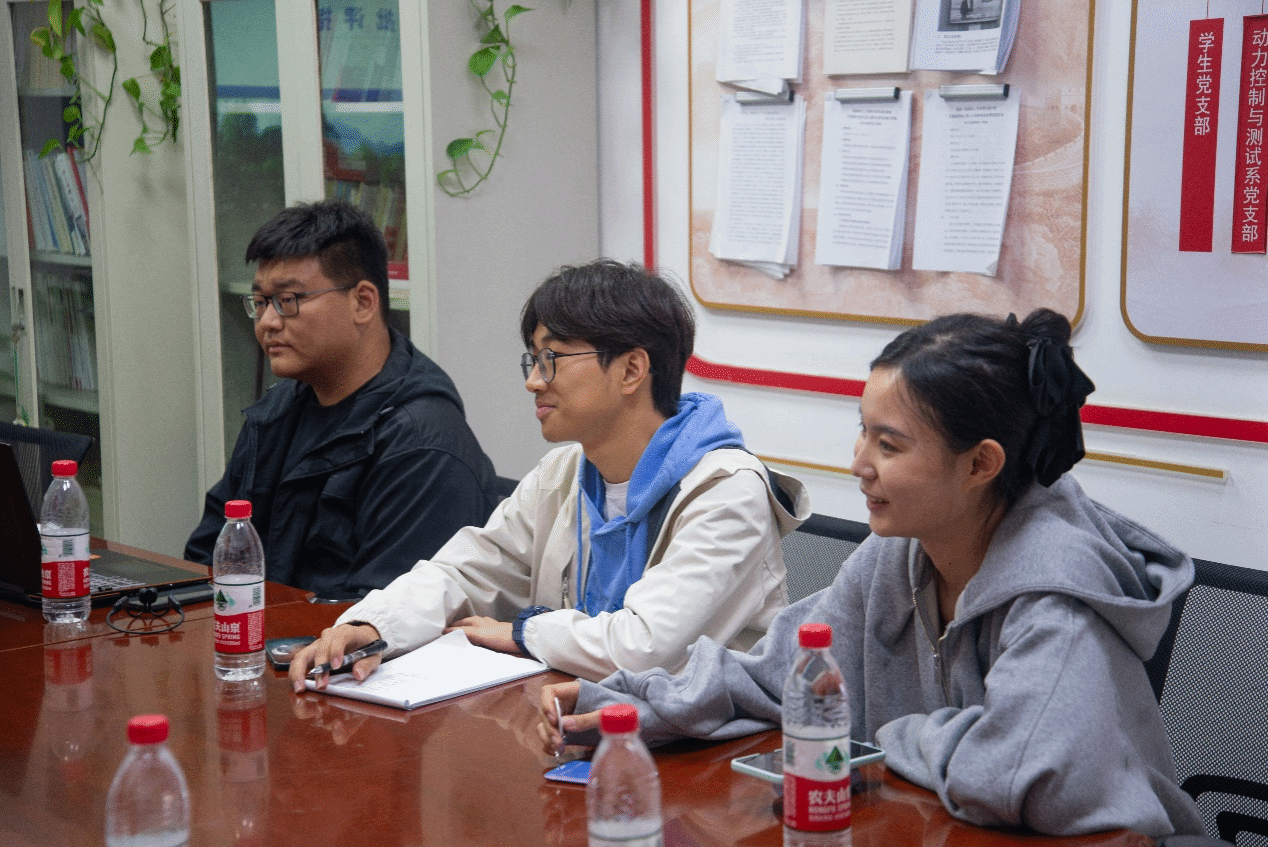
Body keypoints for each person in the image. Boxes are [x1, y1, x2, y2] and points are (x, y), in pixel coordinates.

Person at [540, 309, 1206, 839]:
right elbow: (775, 676)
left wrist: (896, 735)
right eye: (863, 431)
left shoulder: (1057, 591)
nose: (859, 462)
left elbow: (1024, 774)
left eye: (889, 444)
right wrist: (620, 704)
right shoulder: (898, 554)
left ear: (980, 464)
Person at [288, 259, 809, 688]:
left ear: (631, 370)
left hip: (710, 755)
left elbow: (645, 647)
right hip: (581, 722)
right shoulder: (565, 472)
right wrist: (372, 624)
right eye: (532, 361)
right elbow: (465, 572)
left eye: (552, 359)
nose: (534, 382)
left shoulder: (726, 492)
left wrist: (525, 632)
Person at [185, 200, 499, 600]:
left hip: (340, 639)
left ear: (362, 302)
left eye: (288, 300)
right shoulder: (276, 413)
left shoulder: (422, 444)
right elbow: (207, 560)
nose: (267, 323)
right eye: (261, 303)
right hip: (261, 632)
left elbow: (385, 620)